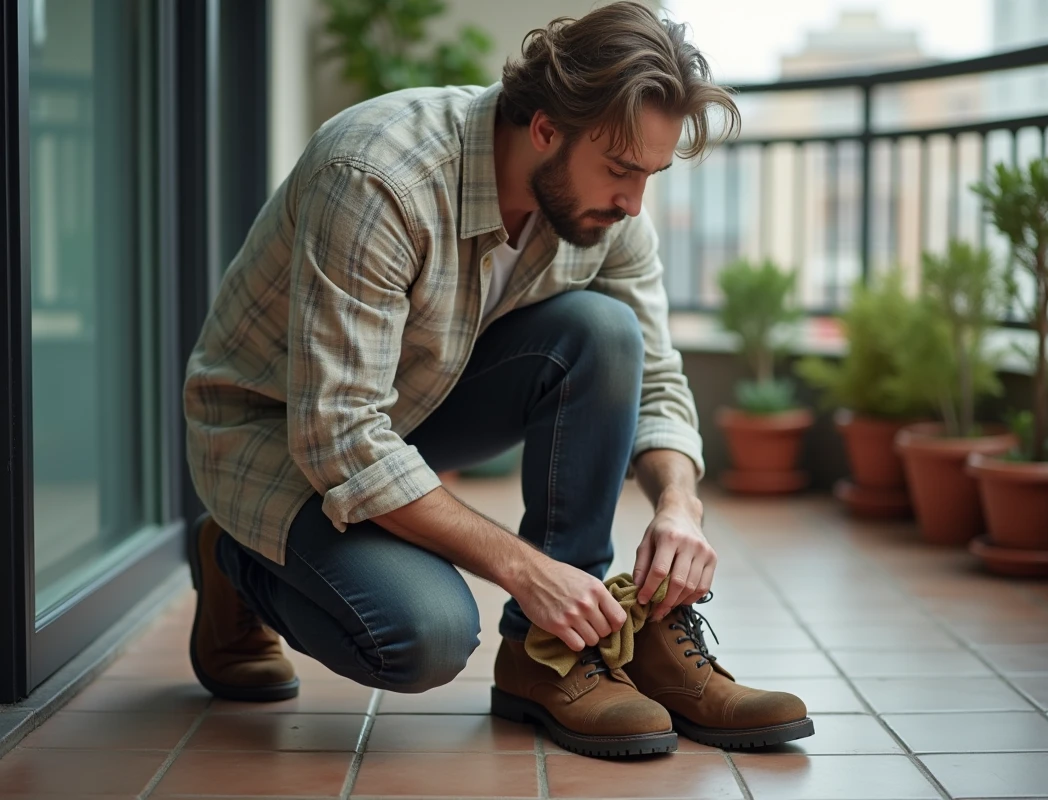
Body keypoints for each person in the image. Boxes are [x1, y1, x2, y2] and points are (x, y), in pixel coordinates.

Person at [181, 1, 812, 758]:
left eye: (649, 173)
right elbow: (340, 437)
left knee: (604, 334)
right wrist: (525, 569)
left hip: (410, 404)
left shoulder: (607, 213)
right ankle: (234, 557)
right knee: (424, 635)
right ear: (545, 127)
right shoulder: (378, 175)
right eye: (619, 169)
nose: (634, 202)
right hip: (274, 434)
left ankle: (551, 656)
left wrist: (680, 506)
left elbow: (655, 376)